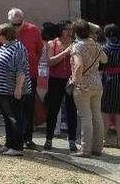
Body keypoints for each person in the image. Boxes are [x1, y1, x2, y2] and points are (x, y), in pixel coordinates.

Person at [6, 8, 45, 150]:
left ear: (23, 20)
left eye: (18, 24)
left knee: (28, 108)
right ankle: (15, 138)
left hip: (29, 75)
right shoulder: (5, 31)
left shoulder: (33, 30)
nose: (16, 27)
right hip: (10, 78)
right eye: (13, 25)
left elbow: (40, 50)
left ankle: (28, 138)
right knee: (13, 108)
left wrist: (33, 64)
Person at [0, 23, 31, 156]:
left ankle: (17, 147)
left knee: (15, 118)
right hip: (2, 91)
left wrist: (18, 89)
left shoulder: (18, 48)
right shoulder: (6, 46)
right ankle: (9, 144)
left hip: (12, 91)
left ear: (5, 35)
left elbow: (21, 70)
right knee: (7, 118)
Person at [70, 19, 107, 158]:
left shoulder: (77, 47)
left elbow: (78, 65)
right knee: (97, 116)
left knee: (85, 117)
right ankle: (98, 148)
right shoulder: (96, 45)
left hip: (83, 85)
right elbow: (105, 59)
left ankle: (85, 149)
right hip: (97, 83)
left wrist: (76, 81)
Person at [43, 21, 78, 151]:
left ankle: (72, 140)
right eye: (66, 29)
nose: (69, 32)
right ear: (60, 30)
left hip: (70, 80)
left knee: (71, 110)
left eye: (71, 29)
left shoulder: (75, 44)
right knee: (53, 110)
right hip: (55, 80)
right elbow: (50, 62)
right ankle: (49, 139)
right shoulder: (53, 43)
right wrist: (65, 53)